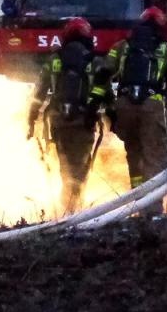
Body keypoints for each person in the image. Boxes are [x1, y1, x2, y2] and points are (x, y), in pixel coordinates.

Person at [26, 16, 108, 214]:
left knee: (65, 167)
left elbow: (39, 92)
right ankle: (74, 212)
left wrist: (31, 118)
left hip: (58, 121)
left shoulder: (54, 59)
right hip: (83, 122)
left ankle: (66, 211)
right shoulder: (94, 61)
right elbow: (104, 90)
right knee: (81, 168)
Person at [104, 6, 167, 187]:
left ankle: (135, 199)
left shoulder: (120, 47)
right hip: (151, 106)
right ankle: (151, 209)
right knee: (153, 156)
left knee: (133, 152)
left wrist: (109, 107)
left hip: (124, 106)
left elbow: (102, 73)